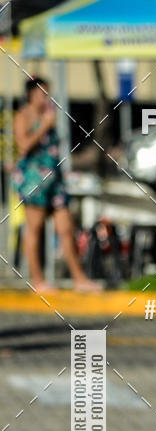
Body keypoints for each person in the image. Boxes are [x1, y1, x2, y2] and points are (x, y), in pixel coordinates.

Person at [12, 76, 98, 293]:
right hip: (34, 180)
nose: (46, 98)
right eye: (42, 93)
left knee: (66, 227)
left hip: (55, 179)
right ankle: (38, 280)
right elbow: (23, 145)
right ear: (31, 94)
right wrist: (44, 126)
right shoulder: (24, 115)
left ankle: (79, 278)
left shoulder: (48, 115)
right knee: (35, 228)